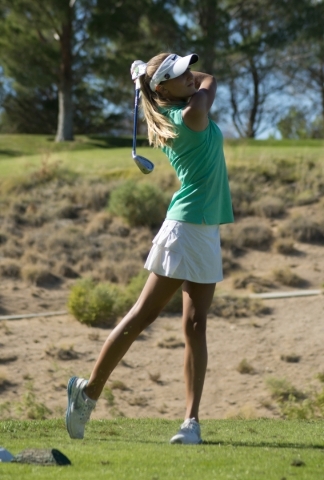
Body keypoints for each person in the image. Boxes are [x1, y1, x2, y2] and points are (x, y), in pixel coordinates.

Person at [65, 52, 234, 445]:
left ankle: (191, 422)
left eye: (188, 70)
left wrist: (156, 76)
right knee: (143, 315)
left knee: (196, 325)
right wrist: (152, 79)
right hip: (186, 228)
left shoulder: (184, 105)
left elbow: (205, 79)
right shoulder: (188, 115)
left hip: (206, 230)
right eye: (179, 75)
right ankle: (87, 394)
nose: (191, 77)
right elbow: (210, 83)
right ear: (163, 89)